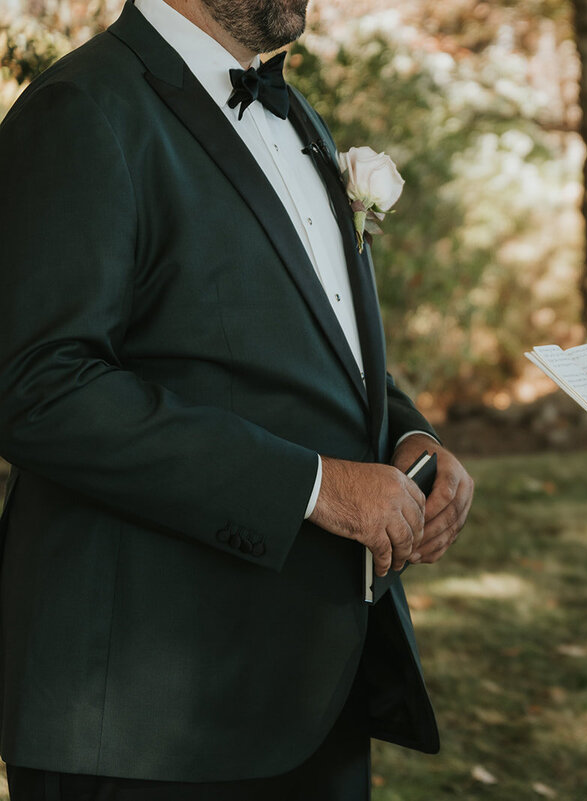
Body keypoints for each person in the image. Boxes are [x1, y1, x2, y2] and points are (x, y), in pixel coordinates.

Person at [0, 0, 473, 797]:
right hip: (142, 719)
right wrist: (316, 487)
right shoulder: (83, 107)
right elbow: (37, 385)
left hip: (309, 688)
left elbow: (315, 336)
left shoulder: (303, 120)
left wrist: (410, 433)